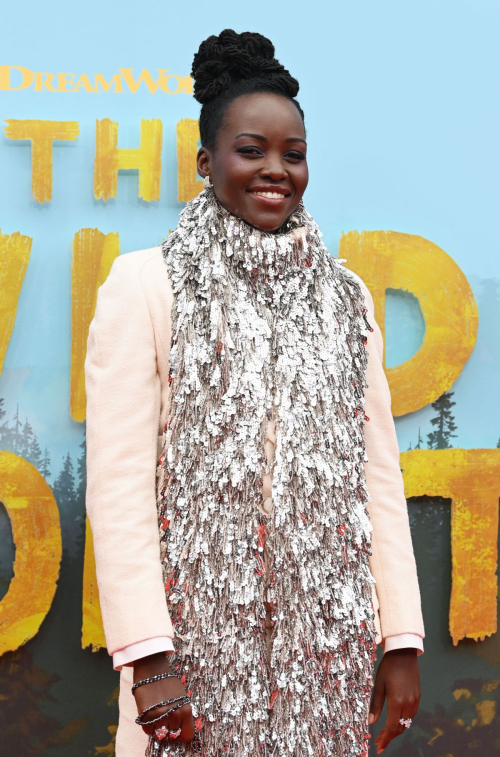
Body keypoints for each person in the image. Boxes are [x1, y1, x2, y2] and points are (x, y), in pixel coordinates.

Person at [85, 29, 424, 757]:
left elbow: (377, 479)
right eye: (251, 150)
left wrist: (400, 639)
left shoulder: (345, 297)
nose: (276, 169)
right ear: (207, 163)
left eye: (293, 154)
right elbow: (117, 491)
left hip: (325, 660)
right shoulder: (145, 286)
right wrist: (147, 658)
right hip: (189, 660)